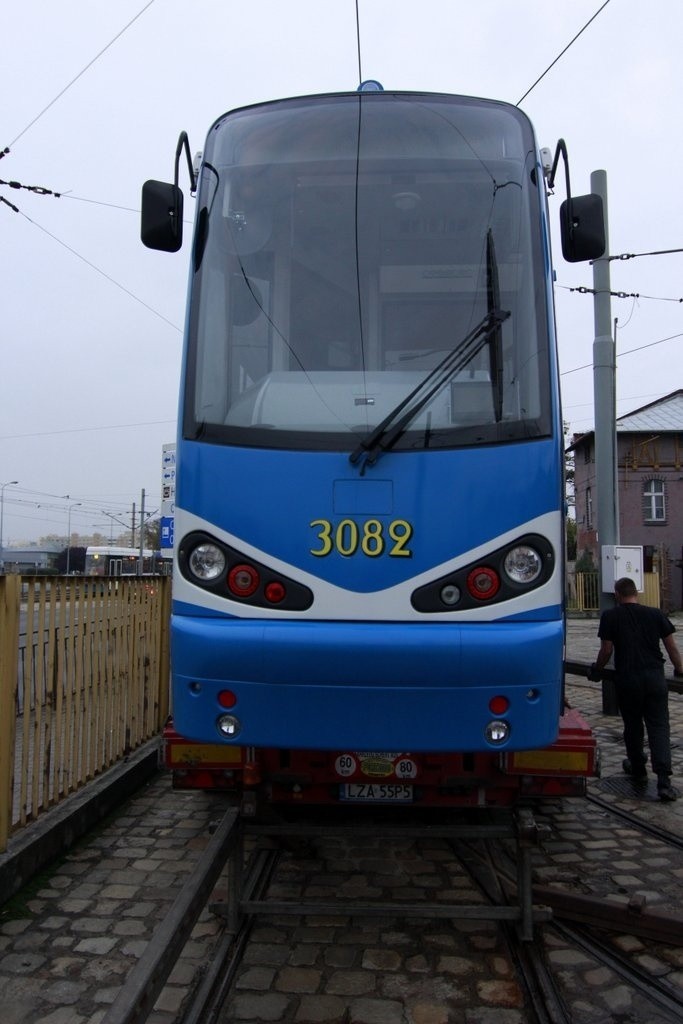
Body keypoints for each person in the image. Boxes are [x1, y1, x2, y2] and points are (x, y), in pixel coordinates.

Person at [588, 576, 683, 802]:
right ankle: (663, 780)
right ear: (636, 593)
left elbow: (606, 650)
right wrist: (680, 670)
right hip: (654, 677)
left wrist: (597, 669)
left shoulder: (611, 616)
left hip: (628, 678)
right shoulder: (655, 614)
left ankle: (638, 765)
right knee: (659, 726)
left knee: (632, 725)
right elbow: (671, 648)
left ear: (618, 595)